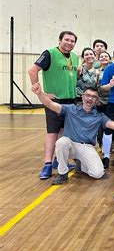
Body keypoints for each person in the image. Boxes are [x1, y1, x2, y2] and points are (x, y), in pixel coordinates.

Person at [31, 82, 114, 185]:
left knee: (98, 173)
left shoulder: (99, 116)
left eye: (94, 97)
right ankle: (63, 174)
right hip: (70, 145)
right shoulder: (70, 109)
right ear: (82, 97)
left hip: (86, 147)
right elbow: (50, 104)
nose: (90, 98)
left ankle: (81, 164)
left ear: (97, 100)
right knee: (61, 142)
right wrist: (39, 93)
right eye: (88, 95)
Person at [28, 31, 79, 179]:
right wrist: (41, 92)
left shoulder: (75, 57)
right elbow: (32, 70)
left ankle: (59, 161)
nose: (69, 43)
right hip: (54, 101)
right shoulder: (49, 53)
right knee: (52, 133)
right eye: (67, 39)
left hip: (71, 101)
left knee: (64, 133)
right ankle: (47, 165)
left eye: (72, 41)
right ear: (59, 40)